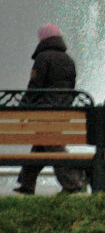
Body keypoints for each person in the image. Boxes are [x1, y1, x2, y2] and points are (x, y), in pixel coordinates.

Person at [13, 24, 89, 195]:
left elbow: (35, 86)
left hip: (44, 112)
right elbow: (71, 88)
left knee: (53, 147)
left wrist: (23, 108)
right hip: (62, 112)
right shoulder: (69, 60)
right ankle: (27, 183)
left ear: (43, 39)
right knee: (41, 146)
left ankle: (73, 183)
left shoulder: (43, 58)